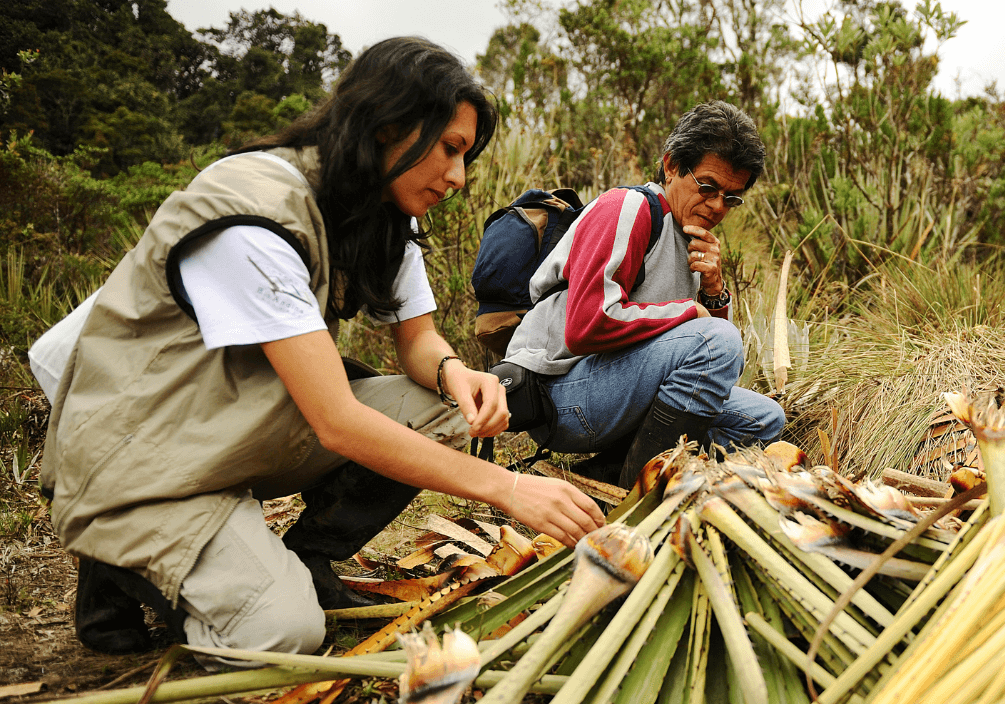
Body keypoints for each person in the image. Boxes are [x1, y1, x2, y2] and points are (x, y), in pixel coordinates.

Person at [31, 36, 604, 663]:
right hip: (137, 457)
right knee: (281, 635)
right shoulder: (254, 217)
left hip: (217, 426)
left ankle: (305, 562)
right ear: (389, 125)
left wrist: (454, 372)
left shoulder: (378, 208)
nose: (458, 177)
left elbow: (417, 340)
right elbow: (335, 421)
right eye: (450, 149)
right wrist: (508, 489)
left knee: (442, 406)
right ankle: (120, 556)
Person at [503, 100, 786, 489]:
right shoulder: (627, 208)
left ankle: (608, 476)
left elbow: (720, 370)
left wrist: (714, 292)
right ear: (671, 165)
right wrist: (690, 312)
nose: (718, 206)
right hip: (560, 396)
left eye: (731, 197)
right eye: (708, 187)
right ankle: (639, 494)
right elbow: (586, 325)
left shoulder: (688, 236)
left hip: (619, 394)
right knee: (715, 340)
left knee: (765, 419)